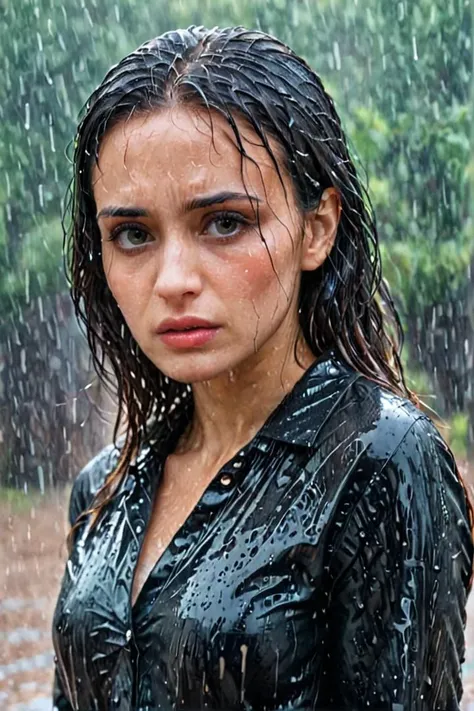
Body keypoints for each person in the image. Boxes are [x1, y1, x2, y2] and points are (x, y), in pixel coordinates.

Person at [52, 25, 474, 711]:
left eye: (224, 222)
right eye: (133, 234)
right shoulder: (107, 487)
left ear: (317, 227)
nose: (174, 279)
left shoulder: (379, 460)